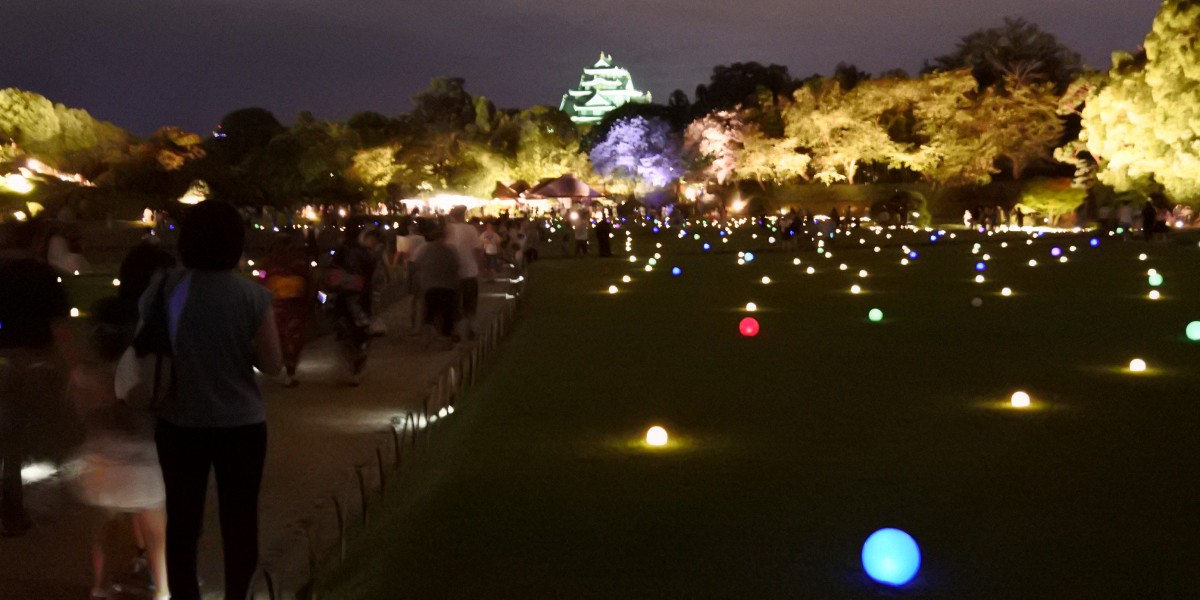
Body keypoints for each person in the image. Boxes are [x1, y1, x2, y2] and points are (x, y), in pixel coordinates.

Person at [153, 200, 283, 600]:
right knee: (240, 520)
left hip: (179, 422)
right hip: (240, 425)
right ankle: (236, 595)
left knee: (183, 522)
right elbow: (273, 365)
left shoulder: (163, 290)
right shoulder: (252, 296)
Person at [73, 298, 169, 600]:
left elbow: (83, 416)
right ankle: (162, 589)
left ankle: (100, 585)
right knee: (156, 532)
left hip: (99, 463)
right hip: (141, 462)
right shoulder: (139, 369)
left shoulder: (84, 374)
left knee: (103, 531)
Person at [0, 219, 76, 537]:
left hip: (2, 360)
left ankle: (12, 509)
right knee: (43, 433)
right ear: (33, 243)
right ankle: (47, 506)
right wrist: (73, 367)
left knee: (7, 439)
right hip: (38, 361)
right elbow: (59, 325)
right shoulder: (44, 275)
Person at [327, 224, 378, 384]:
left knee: (345, 331)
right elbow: (372, 276)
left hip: (341, 297)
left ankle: (350, 366)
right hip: (360, 299)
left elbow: (331, 273)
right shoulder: (365, 253)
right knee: (360, 333)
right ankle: (357, 368)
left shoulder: (340, 251)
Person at [262, 233, 313, 386]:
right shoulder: (300, 259)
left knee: (280, 335)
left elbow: (263, 278)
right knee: (292, 337)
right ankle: (289, 370)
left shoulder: (271, 260)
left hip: (279, 302)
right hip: (293, 303)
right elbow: (309, 279)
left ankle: (284, 367)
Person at [410, 228, 460, 349]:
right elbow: (456, 266)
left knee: (429, 314)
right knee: (447, 314)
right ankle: (446, 341)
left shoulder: (423, 249)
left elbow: (416, 264)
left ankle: (426, 341)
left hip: (430, 286)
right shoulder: (450, 250)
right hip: (448, 286)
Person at [444, 206, 483, 339]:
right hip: (469, 270)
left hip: (452, 272)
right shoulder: (470, 229)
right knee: (470, 302)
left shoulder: (447, 230)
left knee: (454, 303)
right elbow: (478, 249)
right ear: (463, 215)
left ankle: (455, 331)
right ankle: (469, 328)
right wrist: (480, 265)